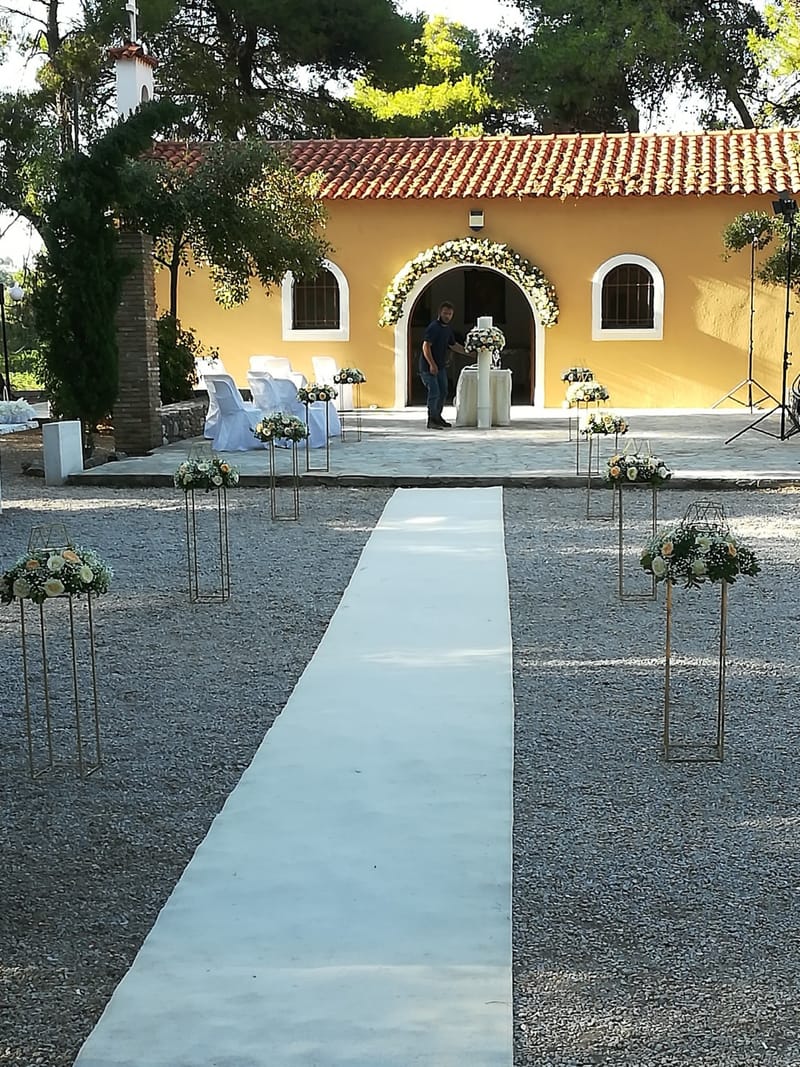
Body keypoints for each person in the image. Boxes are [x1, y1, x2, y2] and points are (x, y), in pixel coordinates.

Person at [420, 301, 466, 429]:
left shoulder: (448, 329)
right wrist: (432, 364)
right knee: (434, 392)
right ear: (439, 313)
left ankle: (437, 417)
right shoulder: (433, 327)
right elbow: (426, 346)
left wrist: (469, 353)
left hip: (440, 367)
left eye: (450, 314)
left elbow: (453, 345)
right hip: (428, 367)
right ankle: (431, 419)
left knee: (443, 391)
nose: (447, 316)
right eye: (445, 313)